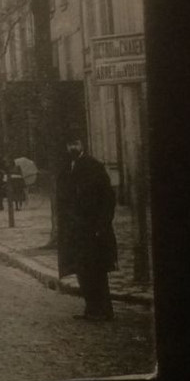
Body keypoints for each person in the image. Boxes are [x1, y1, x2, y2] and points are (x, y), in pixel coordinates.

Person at [58, 136, 118, 321]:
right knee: (82, 270)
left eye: (75, 143)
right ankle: (91, 308)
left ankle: (104, 309)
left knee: (97, 269)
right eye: (69, 144)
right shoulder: (66, 167)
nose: (72, 147)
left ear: (82, 144)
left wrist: (102, 224)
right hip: (75, 229)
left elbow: (108, 198)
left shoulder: (94, 166)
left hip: (93, 228)